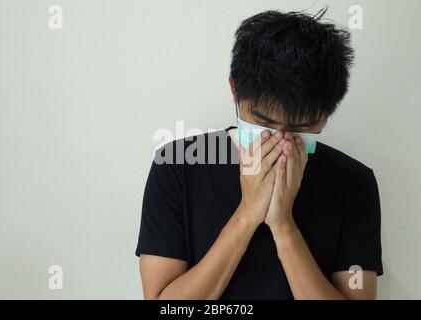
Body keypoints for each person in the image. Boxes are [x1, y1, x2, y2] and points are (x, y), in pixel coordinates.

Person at [135, 9, 383, 300]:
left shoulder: (353, 183)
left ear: (326, 115)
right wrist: (247, 215)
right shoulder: (177, 165)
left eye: (299, 128)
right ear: (234, 90)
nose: (280, 141)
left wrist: (284, 226)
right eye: (264, 123)